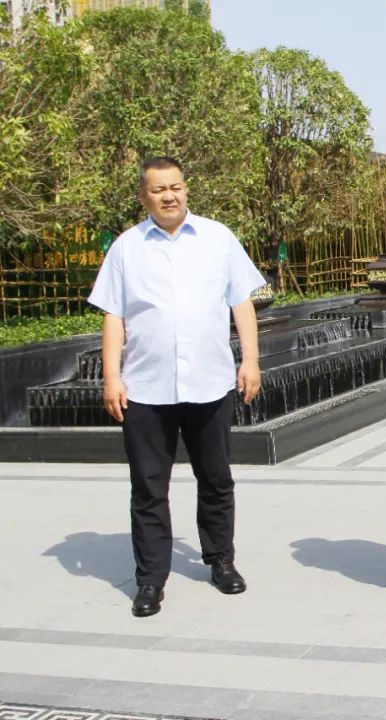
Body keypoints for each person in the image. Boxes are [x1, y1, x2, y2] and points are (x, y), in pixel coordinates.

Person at [88, 156, 266, 618]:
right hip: (146, 388)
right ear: (143, 196)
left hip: (210, 382)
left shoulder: (217, 237)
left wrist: (250, 360)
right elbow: (113, 315)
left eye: (176, 187)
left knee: (216, 478)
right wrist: (112, 376)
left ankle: (220, 560)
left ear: (186, 188)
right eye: (158, 189)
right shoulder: (126, 247)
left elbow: (242, 303)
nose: (169, 196)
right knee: (148, 488)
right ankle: (150, 579)